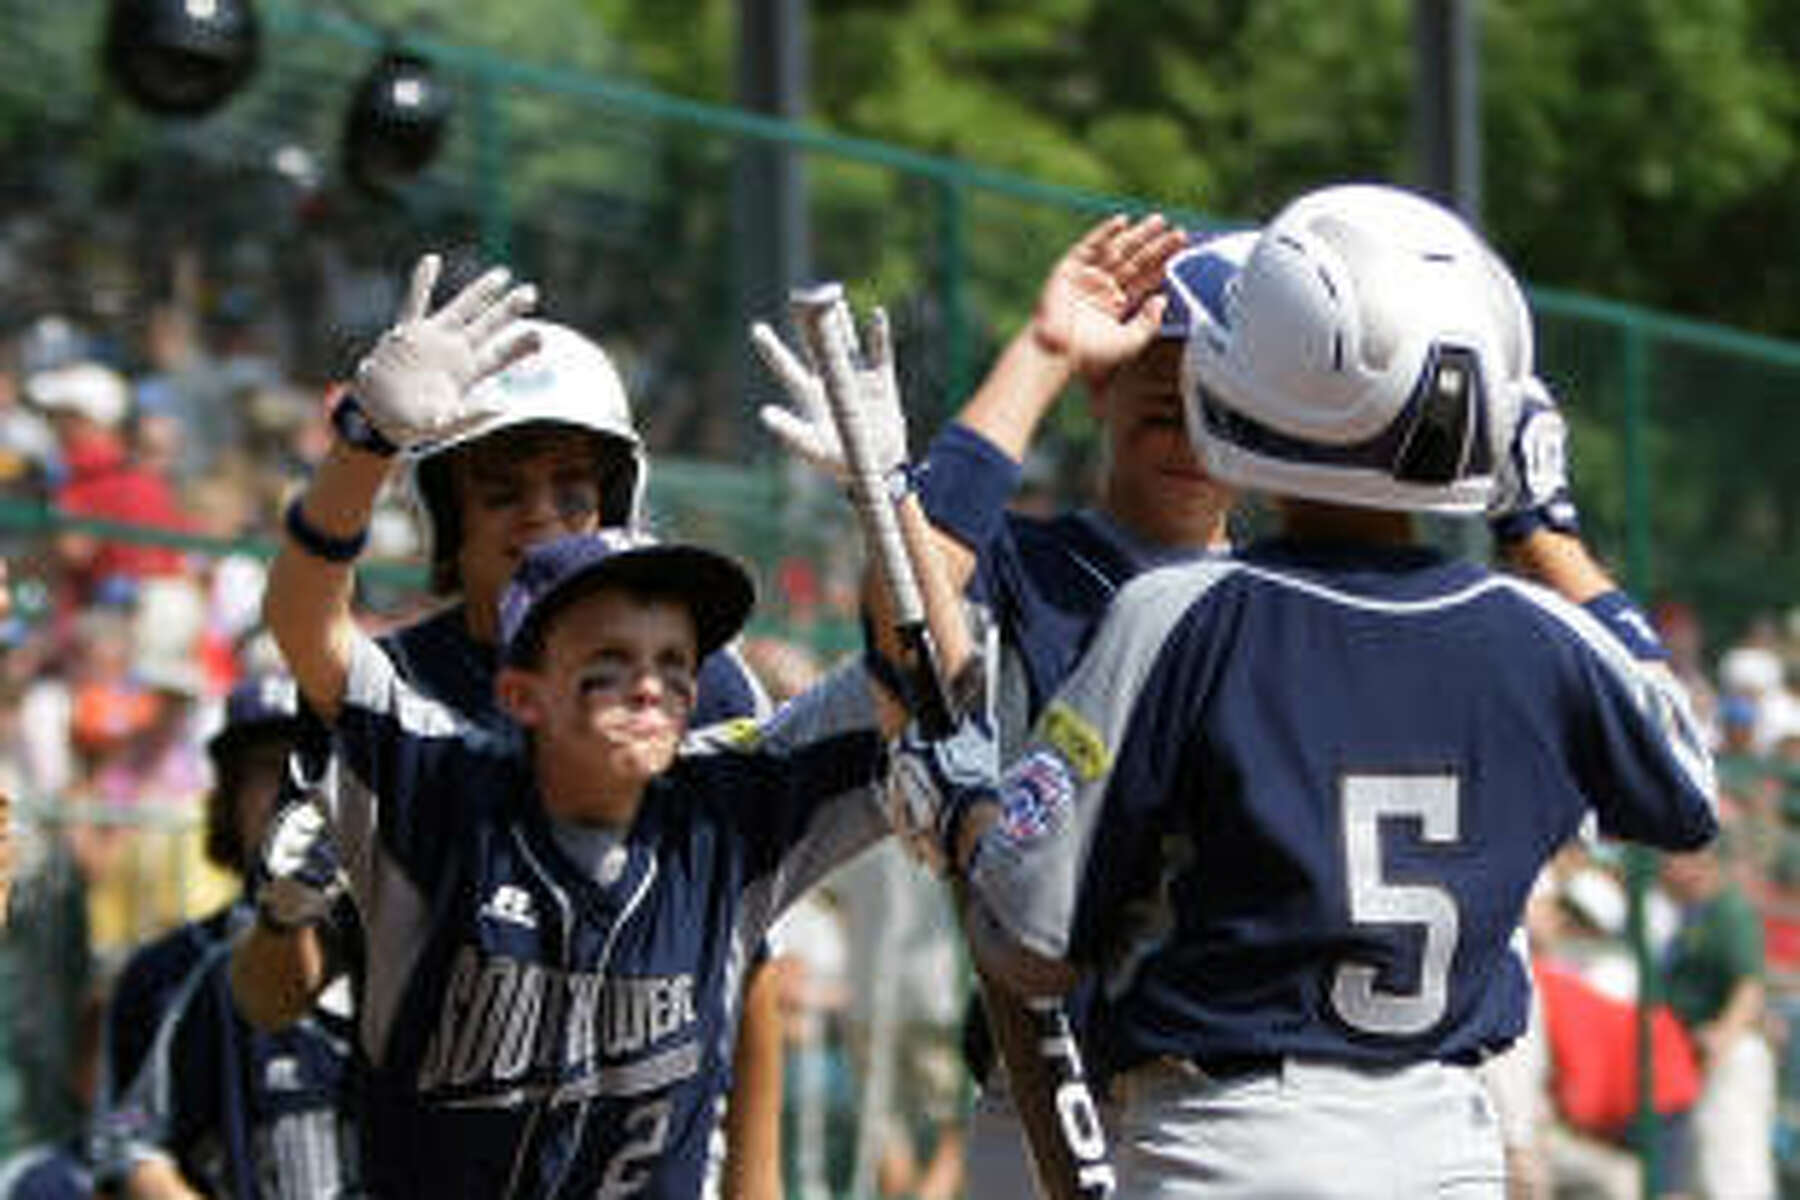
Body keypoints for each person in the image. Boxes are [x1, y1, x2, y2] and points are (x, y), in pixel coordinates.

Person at [896, 183, 1719, 1198]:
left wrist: (968, 802)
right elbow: (1687, 789)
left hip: (1230, 1141)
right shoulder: (1542, 633)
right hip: (1446, 1147)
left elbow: (1025, 940)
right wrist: (1545, 534)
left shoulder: (1184, 613)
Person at [258, 256, 967, 1198]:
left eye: (670, 663)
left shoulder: (719, 756)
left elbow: (916, 675)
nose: (652, 687)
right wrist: (367, 439)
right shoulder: (420, 738)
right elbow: (307, 621)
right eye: (501, 491)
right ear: (521, 694)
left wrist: (888, 496)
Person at [230, 300, 784, 1195]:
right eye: (503, 490)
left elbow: (754, 973)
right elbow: (268, 997)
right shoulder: (387, 691)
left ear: (617, 499)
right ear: (449, 513)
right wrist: (289, 909)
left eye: (574, 486)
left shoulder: (706, 689)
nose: (542, 515)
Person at [758, 210, 1236, 1193]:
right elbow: (911, 624)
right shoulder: (1028, 563)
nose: (1187, 436)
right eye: (1159, 404)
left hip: (1251, 1094)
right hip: (1051, 1080)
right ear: (1104, 388)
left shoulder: (1292, 590)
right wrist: (1044, 350)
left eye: (1217, 404)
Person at [88, 672, 361, 1198]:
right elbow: (127, 1151)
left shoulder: (418, 945)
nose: (292, 790)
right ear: (228, 798)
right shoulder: (171, 975)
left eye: (313, 764)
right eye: (267, 769)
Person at [1661, 837, 1777, 1199]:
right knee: (1700, 1169)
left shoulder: (1729, 910)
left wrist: (1724, 1038)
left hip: (1726, 1053)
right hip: (1684, 1051)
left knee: (1734, 1170)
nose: (1665, 865)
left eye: (1673, 856)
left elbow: (1750, 985)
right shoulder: (1684, 912)